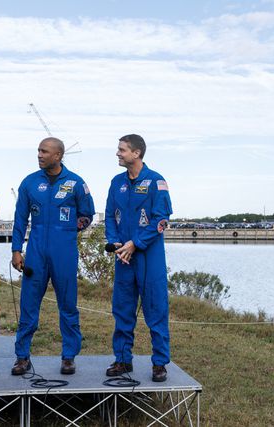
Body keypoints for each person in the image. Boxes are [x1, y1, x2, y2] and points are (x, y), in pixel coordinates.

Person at [11, 137, 95, 375]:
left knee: (68, 305)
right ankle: (22, 357)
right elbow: (20, 219)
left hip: (64, 252)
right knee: (28, 304)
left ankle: (69, 356)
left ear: (58, 156)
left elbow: (87, 214)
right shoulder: (29, 183)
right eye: (38, 150)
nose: (39, 154)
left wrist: (67, 231)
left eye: (44, 151)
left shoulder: (76, 183)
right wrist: (17, 249)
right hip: (36, 250)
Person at [104, 134, 173, 382]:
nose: (118, 153)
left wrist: (136, 244)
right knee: (122, 311)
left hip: (148, 258)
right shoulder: (116, 182)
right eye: (118, 149)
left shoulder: (156, 181)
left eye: (122, 150)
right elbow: (110, 216)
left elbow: (161, 220)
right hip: (123, 258)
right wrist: (115, 244)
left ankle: (159, 363)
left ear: (137, 153)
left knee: (156, 311)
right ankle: (123, 360)